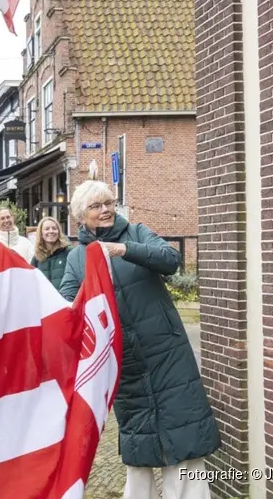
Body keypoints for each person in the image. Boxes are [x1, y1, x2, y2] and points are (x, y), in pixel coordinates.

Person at [59, 181, 219, 499]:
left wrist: (123, 250)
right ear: (81, 217)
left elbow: (170, 261)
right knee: (139, 451)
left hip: (168, 359)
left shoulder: (136, 232)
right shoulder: (77, 260)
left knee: (184, 444)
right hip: (127, 369)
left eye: (109, 202)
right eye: (96, 206)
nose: (106, 210)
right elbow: (67, 310)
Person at [30, 216, 72, 289]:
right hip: (44, 299)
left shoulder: (69, 252)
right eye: (47, 229)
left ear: (58, 232)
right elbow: (31, 282)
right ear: (41, 234)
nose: (51, 231)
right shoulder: (37, 258)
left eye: (54, 228)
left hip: (65, 298)